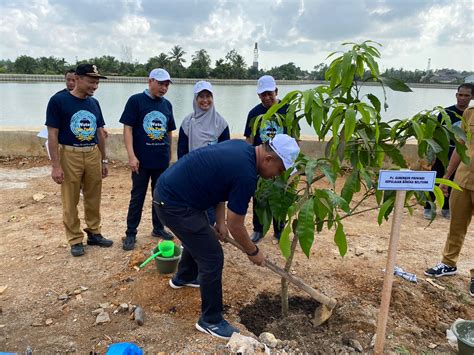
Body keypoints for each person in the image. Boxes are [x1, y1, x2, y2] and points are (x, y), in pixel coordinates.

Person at [154, 134, 299, 339]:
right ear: (268, 159)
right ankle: (210, 320)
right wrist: (253, 251)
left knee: (200, 238)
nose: (277, 176)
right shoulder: (246, 174)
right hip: (174, 205)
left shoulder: (242, 149)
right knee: (212, 256)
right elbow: (237, 225)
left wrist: (219, 222)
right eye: (280, 170)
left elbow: (220, 188)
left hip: (176, 194)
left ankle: (184, 277)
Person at [45, 63, 112, 257]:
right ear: (78, 79)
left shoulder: (94, 103)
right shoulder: (59, 101)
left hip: (92, 154)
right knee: (70, 199)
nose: (95, 86)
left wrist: (104, 160)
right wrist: (56, 165)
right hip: (70, 155)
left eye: (97, 82)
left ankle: (94, 232)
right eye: (91, 81)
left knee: (93, 196)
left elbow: (99, 132)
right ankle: (75, 239)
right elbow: (52, 134)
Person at [120, 68, 176, 251]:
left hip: (160, 160)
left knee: (159, 197)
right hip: (141, 161)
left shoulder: (167, 105)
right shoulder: (135, 101)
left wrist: (169, 156)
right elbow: (127, 129)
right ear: (150, 81)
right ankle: (130, 232)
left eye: (166, 85)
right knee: (137, 196)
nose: (164, 88)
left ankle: (158, 227)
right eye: (160, 84)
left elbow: (169, 132)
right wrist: (131, 155)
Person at [424, 105, 474, 297]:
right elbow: (460, 145)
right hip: (462, 179)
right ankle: (448, 263)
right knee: (456, 225)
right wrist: (447, 176)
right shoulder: (469, 113)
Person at [244, 75, 294, 243]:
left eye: (269, 93)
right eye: (262, 94)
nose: (266, 97)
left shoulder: (287, 110)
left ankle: (279, 230)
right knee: (259, 197)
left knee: (281, 195)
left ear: (276, 91)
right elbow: (249, 139)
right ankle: (258, 229)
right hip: (260, 163)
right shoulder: (254, 113)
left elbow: (295, 138)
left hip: (281, 163)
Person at [177, 80, 230, 225]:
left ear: (213, 98)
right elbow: (182, 152)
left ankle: (208, 240)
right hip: (192, 174)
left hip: (214, 176)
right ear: (195, 99)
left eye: (208, 96)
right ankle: (192, 242)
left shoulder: (221, 123)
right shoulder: (187, 123)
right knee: (192, 209)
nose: (205, 100)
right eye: (201, 96)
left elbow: (225, 153)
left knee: (211, 213)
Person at [424, 83, 473, 219]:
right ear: (456, 95)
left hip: (461, 153)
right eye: (460, 95)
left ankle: (446, 208)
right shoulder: (445, 113)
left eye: (466, 95)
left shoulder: (470, 115)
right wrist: (432, 154)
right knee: (436, 179)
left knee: (453, 181)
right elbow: (434, 134)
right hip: (443, 153)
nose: (462, 98)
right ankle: (428, 207)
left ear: (472, 97)